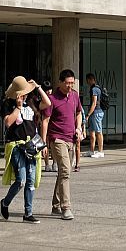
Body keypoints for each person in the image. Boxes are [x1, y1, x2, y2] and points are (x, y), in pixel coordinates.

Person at [0, 76, 49, 222]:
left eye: (25, 92)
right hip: (16, 145)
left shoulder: (32, 103)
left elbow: (48, 103)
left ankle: (28, 213)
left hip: (32, 145)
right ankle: (5, 202)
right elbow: (8, 122)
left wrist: (38, 87)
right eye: (21, 93)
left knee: (31, 181)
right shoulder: (8, 104)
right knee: (21, 180)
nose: (24, 95)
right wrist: (18, 107)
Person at [45, 68, 82, 220]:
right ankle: (66, 207)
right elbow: (45, 121)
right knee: (66, 170)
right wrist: (43, 141)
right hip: (57, 138)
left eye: (72, 83)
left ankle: (55, 205)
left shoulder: (74, 95)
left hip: (71, 138)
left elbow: (79, 112)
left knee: (63, 172)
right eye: (67, 83)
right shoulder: (52, 99)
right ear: (60, 82)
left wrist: (79, 127)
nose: (70, 86)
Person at [85, 73, 106, 157]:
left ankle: (100, 151)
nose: (87, 82)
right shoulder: (96, 88)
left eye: (87, 80)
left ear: (90, 79)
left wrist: (88, 114)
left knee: (98, 131)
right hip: (95, 112)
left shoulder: (94, 89)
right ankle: (92, 150)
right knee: (92, 131)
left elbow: (94, 103)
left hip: (96, 112)